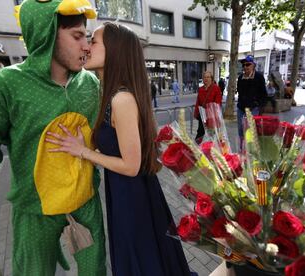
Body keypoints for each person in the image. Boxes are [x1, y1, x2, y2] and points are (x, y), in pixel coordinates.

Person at [0, 1, 106, 275]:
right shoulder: (5, 85)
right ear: (46, 33)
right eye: (77, 36)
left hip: (86, 201)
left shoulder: (90, 84)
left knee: (95, 270)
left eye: (86, 37)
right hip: (35, 210)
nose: (86, 45)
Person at [46, 22, 194, 276]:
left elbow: (131, 165)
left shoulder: (121, 99)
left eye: (94, 41)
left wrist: (83, 152)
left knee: (140, 258)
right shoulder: (110, 93)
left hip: (132, 195)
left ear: (114, 51)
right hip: (126, 190)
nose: (87, 46)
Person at [236, 55, 266, 145]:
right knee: (241, 130)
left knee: (251, 131)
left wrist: (259, 106)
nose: (245, 67)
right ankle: (242, 150)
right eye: (244, 65)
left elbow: (264, 94)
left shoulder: (259, 77)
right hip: (241, 109)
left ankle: (251, 152)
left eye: (248, 64)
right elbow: (239, 92)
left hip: (253, 109)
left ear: (253, 65)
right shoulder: (241, 77)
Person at [194, 71, 222, 143]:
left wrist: (213, 114)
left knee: (212, 134)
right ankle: (196, 149)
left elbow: (217, 103)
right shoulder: (201, 89)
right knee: (200, 132)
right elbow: (198, 102)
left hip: (212, 115)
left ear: (211, 78)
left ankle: (212, 149)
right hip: (202, 115)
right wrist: (196, 113)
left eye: (208, 77)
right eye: (204, 77)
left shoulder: (216, 88)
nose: (206, 79)